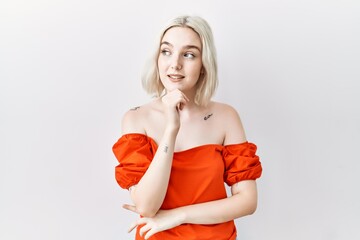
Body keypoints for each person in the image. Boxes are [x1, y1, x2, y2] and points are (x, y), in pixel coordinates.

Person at [112, 15, 262, 240]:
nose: (175, 64)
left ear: (204, 64)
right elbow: (147, 206)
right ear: (157, 58)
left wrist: (177, 216)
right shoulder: (136, 119)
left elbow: (247, 201)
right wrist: (171, 129)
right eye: (166, 51)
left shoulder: (226, 117)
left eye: (189, 54)